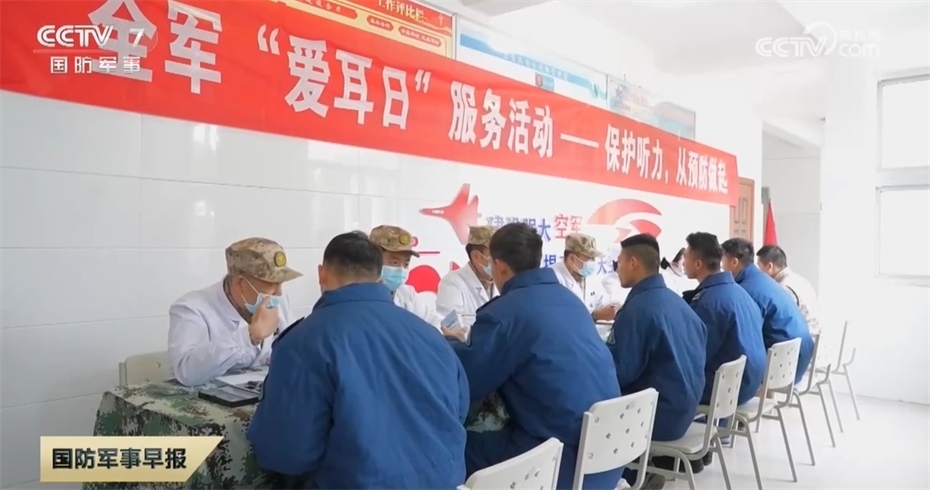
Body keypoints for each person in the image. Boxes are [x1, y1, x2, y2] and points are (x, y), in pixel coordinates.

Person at [248, 231, 469, 488]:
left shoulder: (304, 342)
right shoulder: (429, 334)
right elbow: (459, 409)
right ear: (379, 277)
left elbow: (288, 454)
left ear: (322, 274)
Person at [443, 223, 622, 490]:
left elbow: (470, 380)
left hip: (561, 464)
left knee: (455, 445)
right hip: (607, 454)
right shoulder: (569, 300)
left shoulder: (504, 314)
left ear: (499, 266)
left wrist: (450, 344)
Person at [609, 234, 707, 487]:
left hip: (658, 417)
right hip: (685, 410)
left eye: (619, 262)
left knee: (584, 413)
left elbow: (619, 372)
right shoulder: (678, 302)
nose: (617, 268)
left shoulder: (637, 310)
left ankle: (628, 479)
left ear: (633, 262)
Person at [168, 237, 300, 387]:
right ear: (240, 283)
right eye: (271, 284)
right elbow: (186, 372)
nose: (279, 292)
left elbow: (294, 352)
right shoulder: (192, 308)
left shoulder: (279, 302)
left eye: (280, 283)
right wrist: (249, 336)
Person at [682, 232, 766, 415]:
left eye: (685, 257)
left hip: (729, 388)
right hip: (749, 381)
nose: (682, 263)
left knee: (659, 385)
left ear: (698, 264)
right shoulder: (738, 291)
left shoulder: (709, 302)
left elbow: (696, 356)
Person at [721, 238, 814, 384]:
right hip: (797, 358)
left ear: (734, 262)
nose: (721, 267)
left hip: (783, 365)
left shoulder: (746, 290)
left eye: (723, 261)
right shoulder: (764, 280)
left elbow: (745, 336)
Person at [369, 225, 443, 327]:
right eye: (394, 262)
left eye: (406, 264)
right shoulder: (360, 295)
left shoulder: (406, 294)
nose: (401, 269)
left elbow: (433, 321)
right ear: (372, 259)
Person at [551, 233, 618, 322]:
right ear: (572, 258)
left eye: (594, 258)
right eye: (589, 258)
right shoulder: (553, 277)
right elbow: (559, 315)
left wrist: (614, 308)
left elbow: (604, 302)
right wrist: (595, 315)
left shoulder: (591, 277)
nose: (593, 262)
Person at [756, 245, 821, 336]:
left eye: (760, 268)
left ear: (769, 266)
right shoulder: (799, 280)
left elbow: (781, 320)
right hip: (814, 334)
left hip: (803, 338)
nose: (759, 273)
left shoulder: (783, 287)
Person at [435, 225, 499, 318]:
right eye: (496, 254)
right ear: (476, 256)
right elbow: (449, 324)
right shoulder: (452, 283)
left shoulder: (502, 282)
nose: (501, 260)